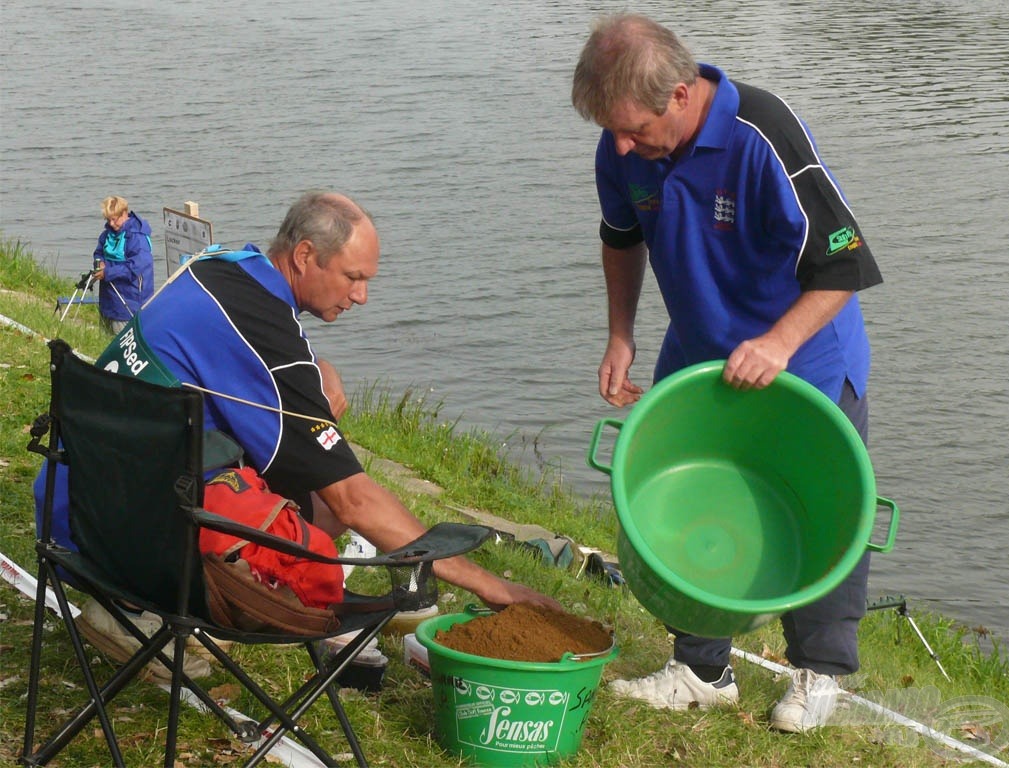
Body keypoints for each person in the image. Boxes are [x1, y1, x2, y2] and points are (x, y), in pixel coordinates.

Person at [46, 191, 559, 679]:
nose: (362, 296)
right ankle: (142, 614)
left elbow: (251, 347)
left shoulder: (221, 264)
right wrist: (495, 588)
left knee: (314, 490)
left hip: (74, 508)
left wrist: (318, 367)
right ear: (306, 254)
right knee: (332, 509)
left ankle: (133, 607)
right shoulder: (268, 334)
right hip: (134, 549)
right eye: (353, 277)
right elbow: (356, 501)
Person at [571, 14, 883, 732]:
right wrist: (621, 333)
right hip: (700, 349)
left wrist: (776, 343)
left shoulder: (762, 133)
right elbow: (622, 237)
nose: (620, 146)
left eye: (632, 129)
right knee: (691, 496)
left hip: (802, 355)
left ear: (680, 95)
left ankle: (819, 674)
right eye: (611, 131)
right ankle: (704, 669)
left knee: (820, 513)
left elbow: (844, 265)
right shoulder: (622, 145)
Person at [91, 196, 155, 334]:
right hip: (108, 300)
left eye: (115, 219)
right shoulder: (106, 235)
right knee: (105, 340)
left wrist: (107, 273)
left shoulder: (137, 238)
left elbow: (135, 268)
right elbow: (98, 252)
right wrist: (99, 261)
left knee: (121, 342)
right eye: (108, 220)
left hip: (129, 302)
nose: (111, 224)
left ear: (124, 213)